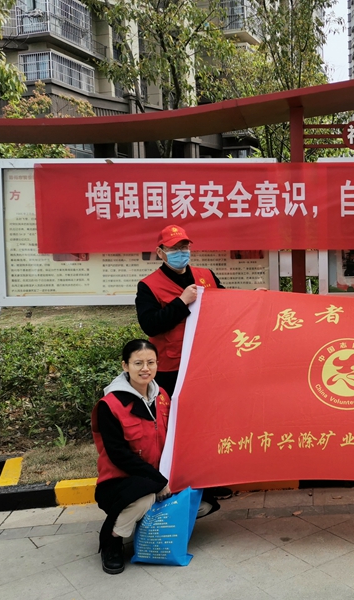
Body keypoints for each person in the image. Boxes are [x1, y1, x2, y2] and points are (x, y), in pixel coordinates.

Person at [91, 339, 220, 575]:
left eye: (150, 362)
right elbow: (119, 456)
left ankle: (147, 525)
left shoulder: (161, 395)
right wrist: (159, 483)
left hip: (159, 477)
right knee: (145, 498)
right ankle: (112, 538)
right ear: (125, 365)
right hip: (121, 481)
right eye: (138, 363)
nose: (145, 368)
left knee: (202, 503)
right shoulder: (110, 406)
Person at [136, 224, 223, 398]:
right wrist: (182, 302)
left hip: (206, 359)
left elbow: (226, 305)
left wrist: (253, 296)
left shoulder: (207, 275)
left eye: (184, 247)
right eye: (173, 248)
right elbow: (150, 325)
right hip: (171, 367)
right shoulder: (148, 285)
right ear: (160, 252)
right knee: (173, 410)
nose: (181, 252)